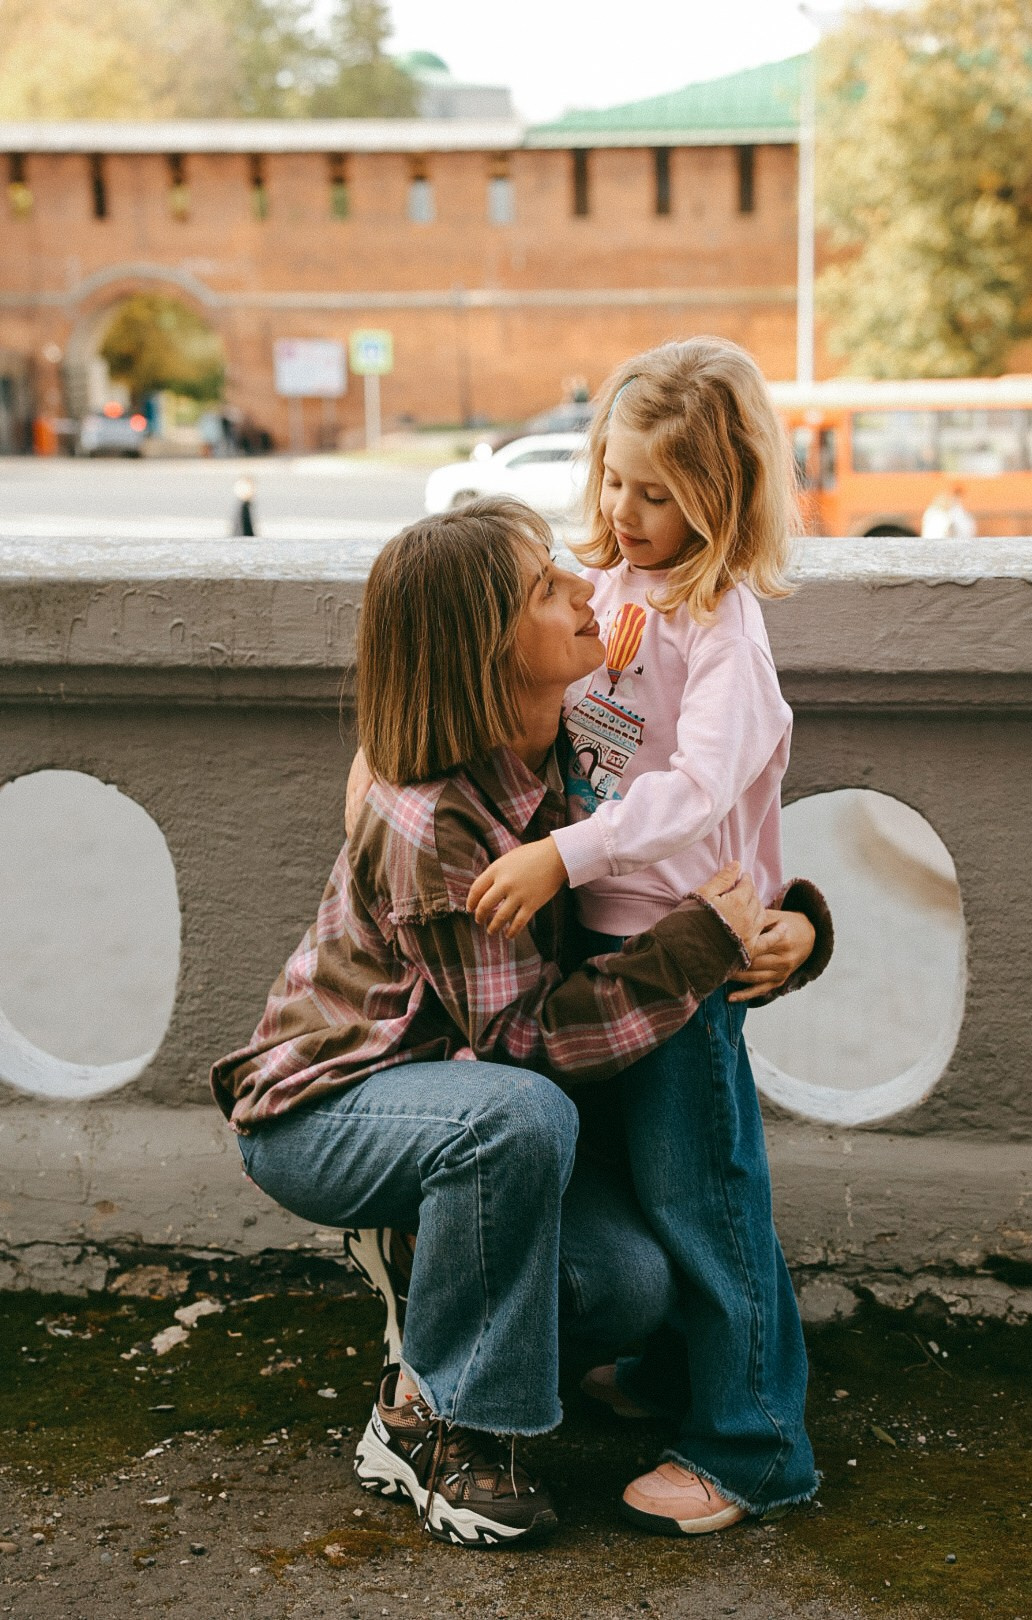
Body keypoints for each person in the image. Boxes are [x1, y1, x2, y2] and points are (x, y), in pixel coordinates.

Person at [211, 498, 786, 1548]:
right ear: (488, 649)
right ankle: (442, 1429)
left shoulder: (573, 741)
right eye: (545, 587)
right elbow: (527, 1042)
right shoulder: (435, 820)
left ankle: (425, 1303)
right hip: (333, 1104)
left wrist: (792, 930)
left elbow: (677, 855)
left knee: (626, 1287)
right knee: (516, 1115)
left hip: (464, 1091)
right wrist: (702, 946)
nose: (586, 587)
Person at [466, 339, 833, 1533]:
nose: (623, 512)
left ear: (721, 498)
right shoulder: (616, 592)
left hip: (686, 969)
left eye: (658, 493)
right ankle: (678, 1378)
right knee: (642, 1184)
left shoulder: (725, 634)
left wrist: (560, 855)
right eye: (615, 479)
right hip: (607, 955)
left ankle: (754, 1444)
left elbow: (689, 790)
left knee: (707, 1201)